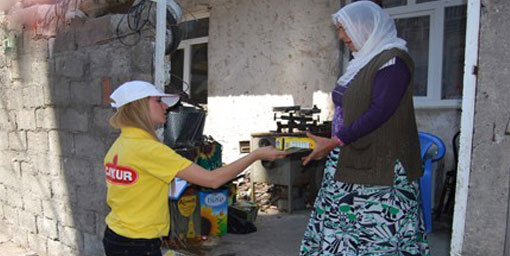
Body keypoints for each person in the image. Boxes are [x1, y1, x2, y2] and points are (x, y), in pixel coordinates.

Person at [299, 1, 430, 255]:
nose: (340, 36)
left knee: (378, 231)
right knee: (345, 227)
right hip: (350, 156)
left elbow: (379, 111)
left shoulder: (393, 62)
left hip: (380, 167)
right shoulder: (362, 62)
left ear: (365, 27)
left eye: (344, 29)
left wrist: (336, 140)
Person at [102, 80, 288, 256]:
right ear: (138, 107)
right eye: (158, 101)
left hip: (116, 235)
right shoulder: (149, 149)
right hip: (138, 243)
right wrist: (256, 155)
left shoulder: (121, 144)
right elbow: (213, 180)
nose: (165, 106)